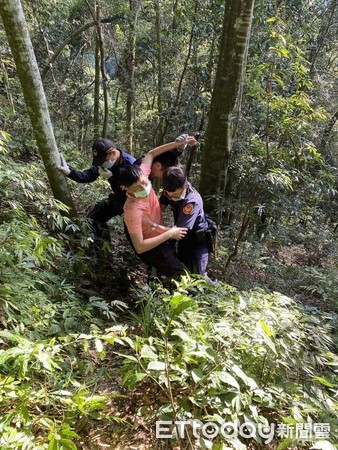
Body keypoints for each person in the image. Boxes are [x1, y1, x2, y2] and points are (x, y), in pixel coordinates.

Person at [118, 136, 197, 278]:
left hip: (160, 232)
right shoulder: (132, 211)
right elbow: (140, 246)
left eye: (144, 182)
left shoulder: (142, 175)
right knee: (180, 275)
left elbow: (151, 154)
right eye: (137, 187)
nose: (144, 187)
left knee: (165, 273)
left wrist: (179, 144)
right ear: (125, 188)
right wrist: (170, 233)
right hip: (153, 246)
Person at [58, 138, 135, 242]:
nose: (102, 163)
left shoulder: (131, 164)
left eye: (103, 160)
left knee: (132, 236)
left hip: (132, 203)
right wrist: (69, 172)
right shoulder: (104, 162)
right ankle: (103, 250)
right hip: (117, 198)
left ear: (113, 153)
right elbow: (88, 175)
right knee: (95, 217)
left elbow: (132, 192)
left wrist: (111, 178)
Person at [161, 166, 210, 277]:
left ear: (185, 183)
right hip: (183, 240)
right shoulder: (168, 191)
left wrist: (155, 228)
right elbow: (160, 207)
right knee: (183, 272)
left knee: (199, 277)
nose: (174, 197)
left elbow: (180, 231)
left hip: (197, 241)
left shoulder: (192, 201)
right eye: (171, 195)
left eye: (178, 194)